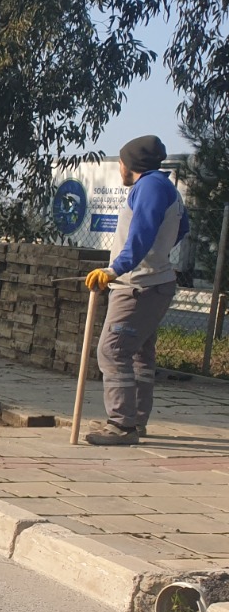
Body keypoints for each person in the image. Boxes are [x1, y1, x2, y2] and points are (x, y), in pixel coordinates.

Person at [84, 135, 190, 446]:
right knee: (141, 354)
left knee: (112, 351)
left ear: (131, 164)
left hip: (138, 286)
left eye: (121, 162)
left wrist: (114, 269)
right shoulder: (165, 188)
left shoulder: (150, 187)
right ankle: (136, 419)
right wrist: (158, 256)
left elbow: (140, 235)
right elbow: (183, 229)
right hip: (154, 282)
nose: (119, 167)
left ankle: (121, 425)